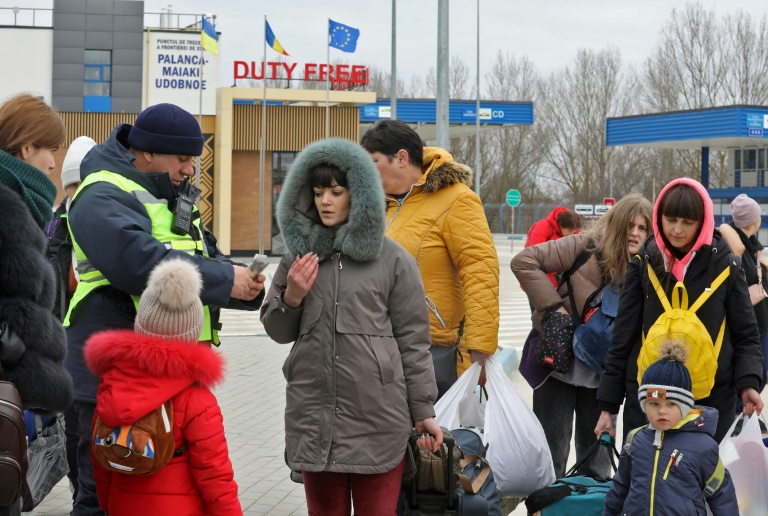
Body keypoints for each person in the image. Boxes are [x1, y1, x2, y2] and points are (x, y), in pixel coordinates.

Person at [63, 103, 265, 515]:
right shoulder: (100, 191)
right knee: (100, 496)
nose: (191, 169)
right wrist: (227, 279)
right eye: (183, 158)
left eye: (194, 159)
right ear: (148, 152)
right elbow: (137, 262)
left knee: (167, 493)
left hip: (169, 379)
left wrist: (246, 286)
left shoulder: (170, 196)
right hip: (114, 380)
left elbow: (203, 258)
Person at [260, 138, 440, 515]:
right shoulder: (297, 257)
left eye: (336, 192)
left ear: (358, 195)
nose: (325, 201)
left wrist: (423, 411)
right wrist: (292, 295)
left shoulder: (394, 260)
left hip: (378, 418)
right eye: (318, 191)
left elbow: (413, 342)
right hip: (313, 415)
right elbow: (277, 331)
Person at [596, 178, 764, 443]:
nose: (677, 229)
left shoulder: (727, 267)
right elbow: (623, 338)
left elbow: (746, 334)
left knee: (702, 483)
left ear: (703, 221)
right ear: (659, 216)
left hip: (709, 407)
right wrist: (608, 405)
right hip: (647, 404)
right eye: (670, 219)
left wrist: (749, 384)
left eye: (687, 222)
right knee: (645, 482)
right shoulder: (643, 264)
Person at [83, 258, 242, 515]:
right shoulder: (197, 400)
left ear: (141, 323)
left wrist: (108, 504)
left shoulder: (111, 382)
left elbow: (100, 459)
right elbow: (214, 474)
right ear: (193, 332)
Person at [511, 193, 653, 478]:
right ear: (617, 224)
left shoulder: (651, 266)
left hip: (603, 380)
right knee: (550, 462)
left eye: (642, 228)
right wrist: (553, 309)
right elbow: (524, 261)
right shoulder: (586, 246)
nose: (634, 233)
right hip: (557, 369)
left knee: (596, 469)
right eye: (629, 225)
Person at [360, 119, 499, 398]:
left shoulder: (456, 199)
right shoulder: (373, 205)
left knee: (431, 438)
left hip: (434, 350)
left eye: (372, 161)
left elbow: (480, 271)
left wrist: (480, 348)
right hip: (376, 347)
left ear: (401, 158)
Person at [0, 93, 74, 515]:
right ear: (26, 148)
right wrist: (14, 347)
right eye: (50, 150)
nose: (53, 163)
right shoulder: (5, 205)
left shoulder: (21, 206)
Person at [603, 341, 738, 515]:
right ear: (644, 405)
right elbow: (621, 487)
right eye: (653, 403)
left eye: (671, 404)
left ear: (684, 406)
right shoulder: (635, 440)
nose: (662, 411)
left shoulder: (703, 446)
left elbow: (721, 493)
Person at [44, 135, 97, 501]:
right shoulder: (54, 228)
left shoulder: (106, 223)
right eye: (73, 186)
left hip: (100, 347)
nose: (80, 193)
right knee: (75, 433)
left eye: (86, 184)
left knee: (94, 433)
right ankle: (83, 497)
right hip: (65, 350)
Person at [719, 193, 768, 389]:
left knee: (761, 372)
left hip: (760, 322)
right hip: (751, 324)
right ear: (752, 221)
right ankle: (740, 414)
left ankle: (744, 415)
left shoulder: (750, 245)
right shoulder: (735, 247)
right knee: (756, 372)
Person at [525, 207, 582, 289]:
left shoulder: (572, 225)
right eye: (570, 231)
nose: (572, 234)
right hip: (536, 276)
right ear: (561, 225)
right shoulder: (542, 227)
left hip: (557, 277)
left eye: (574, 231)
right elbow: (537, 258)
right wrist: (552, 285)